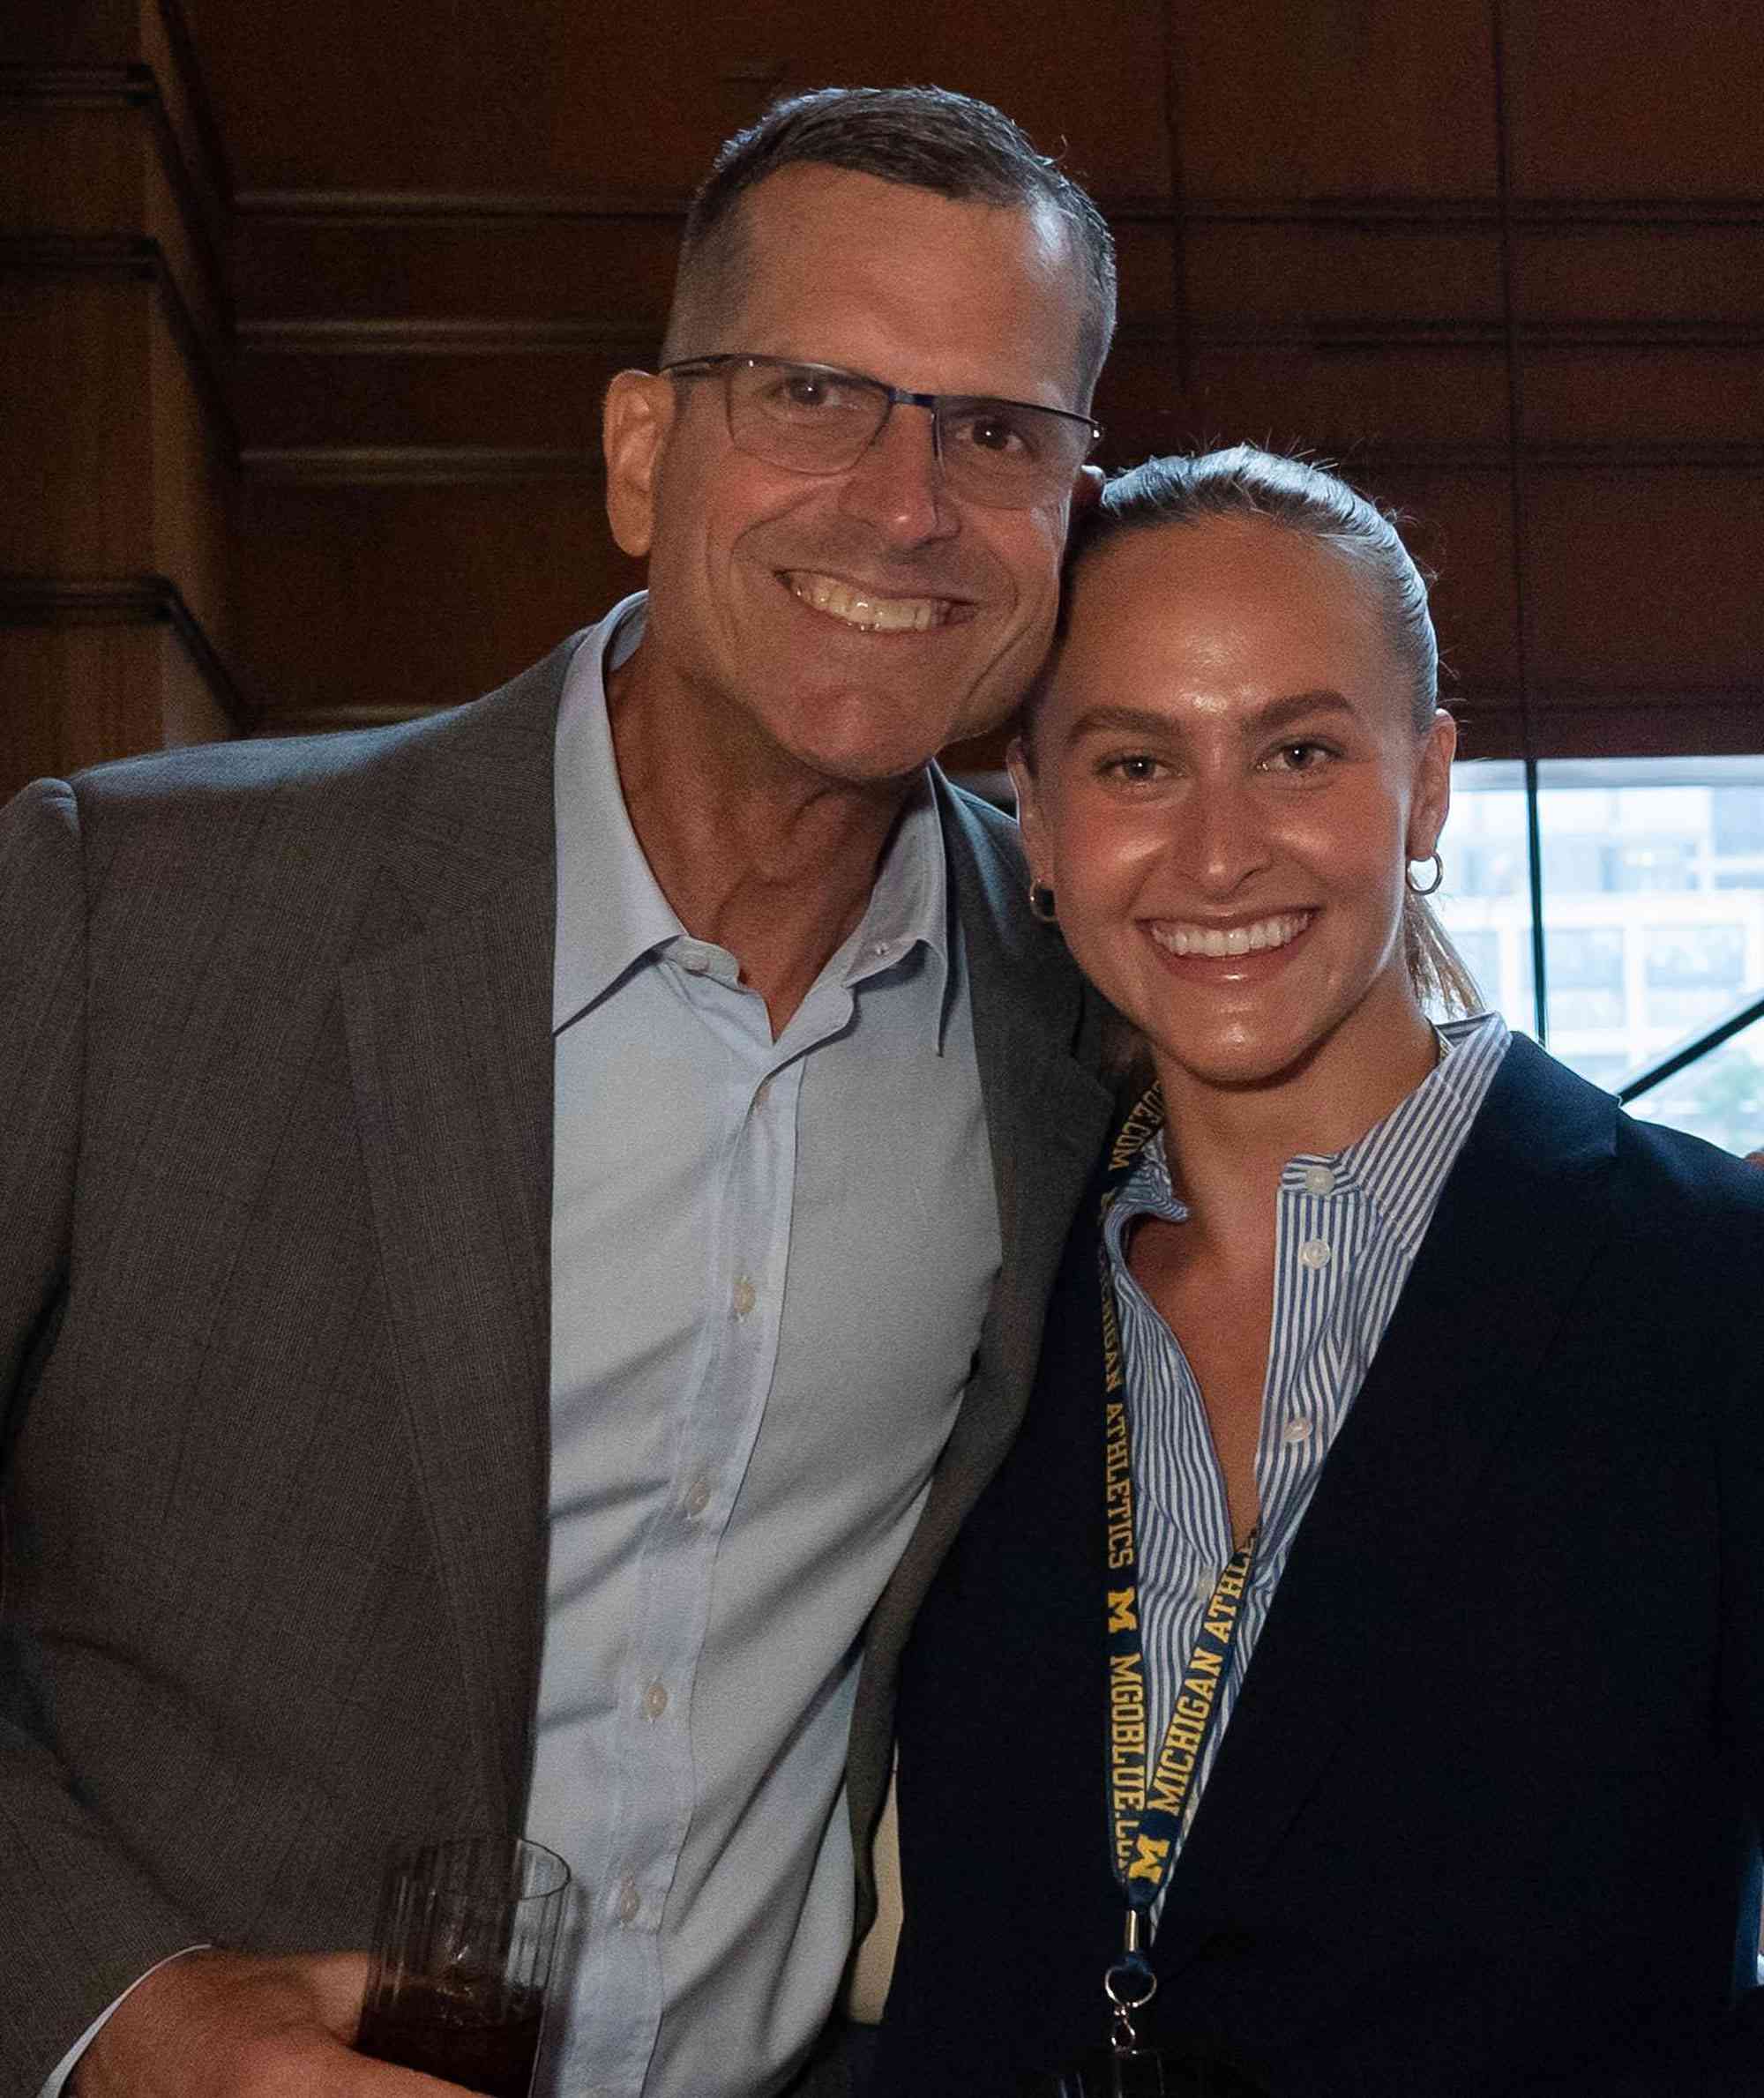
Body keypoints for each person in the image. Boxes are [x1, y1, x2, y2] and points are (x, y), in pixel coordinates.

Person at [0, 86, 1125, 2098]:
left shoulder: (1080, 1029)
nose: (902, 502)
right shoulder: (127, 912)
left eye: (997, 430)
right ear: (639, 451)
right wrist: (133, 2013)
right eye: (812, 391)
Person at [873, 447, 1764, 2098]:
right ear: (1040, 820)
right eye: (1137, 763)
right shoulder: (966, 1297)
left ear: (1425, 788)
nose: (1220, 856)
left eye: (1296, 751)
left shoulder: (1714, 1288)